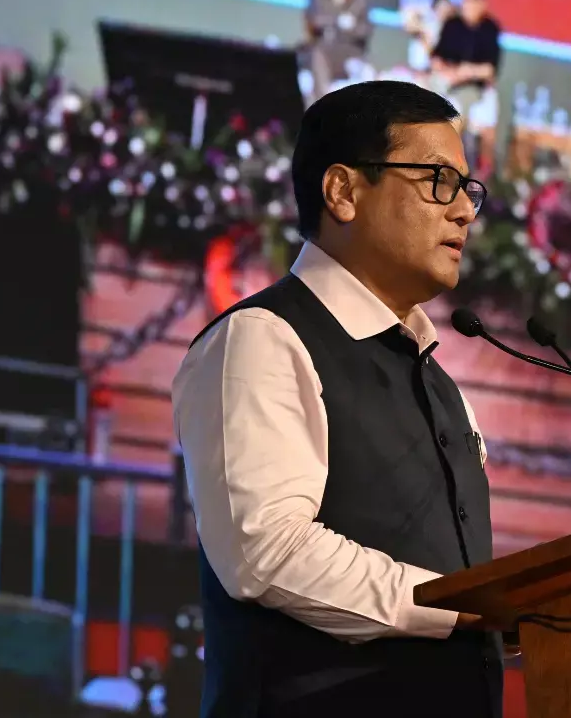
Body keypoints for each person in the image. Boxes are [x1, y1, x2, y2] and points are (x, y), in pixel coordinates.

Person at [174, 80, 501, 718]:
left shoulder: (439, 382)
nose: (464, 210)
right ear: (343, 192)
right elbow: (265, 553)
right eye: (438, 180)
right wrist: (457, 607)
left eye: (468, 188)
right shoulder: (263, 338)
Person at [304, 0, 373, 98]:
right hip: (322, 50)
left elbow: (364, 30)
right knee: (317, 54)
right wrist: (339, 21)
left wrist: (348, 26)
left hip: (348, 53)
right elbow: (314, 20)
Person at [430, 0, 502, 120]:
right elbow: (436, 58)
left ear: (481, 3)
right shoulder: (452, 24)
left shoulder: (490, 29)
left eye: (472, 1)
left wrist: (466, 72)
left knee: (454, 110)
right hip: (443, 80)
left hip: (470, 87)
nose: (467, 5)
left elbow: (489, 70)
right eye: (465, 0)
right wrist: (445, 71)